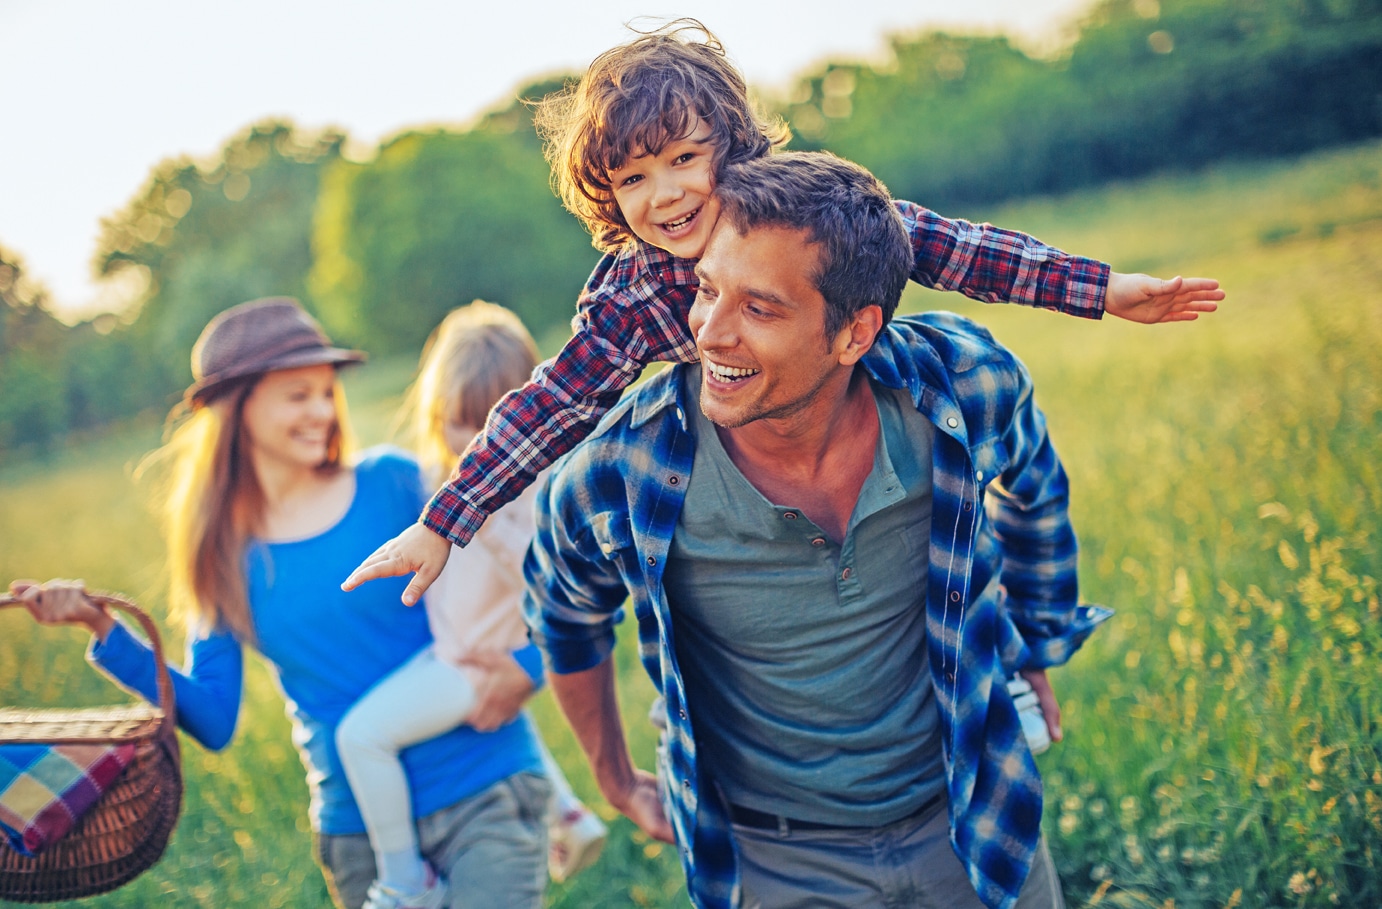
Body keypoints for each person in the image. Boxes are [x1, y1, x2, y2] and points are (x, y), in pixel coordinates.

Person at [342, 19, 1222, 607]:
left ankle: (993, 649)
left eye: (684, 157)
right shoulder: (631, 291)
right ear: (606, 194)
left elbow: (948, 246)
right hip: (739, 456)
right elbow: (555, 401)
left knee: (932, 534)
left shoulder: (799, 209)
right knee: (710, 558)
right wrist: (443, 519)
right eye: (632, 178)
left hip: (855, 404)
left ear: (728, 143)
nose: (667, 193)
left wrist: (1100, 289)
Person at [523, 151, 1114, 909]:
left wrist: (1035, 631)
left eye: (760, 308)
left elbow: (1034, 487)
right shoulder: (622, 468)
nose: (711, 333)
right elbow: (561, 611)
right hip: (773, 863)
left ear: (854, 332)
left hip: (974, 816)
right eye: (707, 291)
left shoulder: (963, 384)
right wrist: (612, 775)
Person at [10, 298, 550, 909]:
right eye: (297, 395)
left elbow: (537, 579)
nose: (322, 410)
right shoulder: (221, 557)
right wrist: (102, 628)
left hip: (487, 789)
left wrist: (529, 671)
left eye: (326, 392)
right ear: (238, 412)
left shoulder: (397, 483)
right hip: (360, 835)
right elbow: (213, 717)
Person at [333, 300, 606, 898]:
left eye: (497, 422)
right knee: (499, 723)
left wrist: (491, 522)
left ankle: (404, 880)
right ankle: (569, 815)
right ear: (436, 412)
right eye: (462, 420)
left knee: (361, 737)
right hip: (462, 649)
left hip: (474, 663)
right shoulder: (437, 475)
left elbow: (554, 583)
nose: (478, 441)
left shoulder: (527, 497)